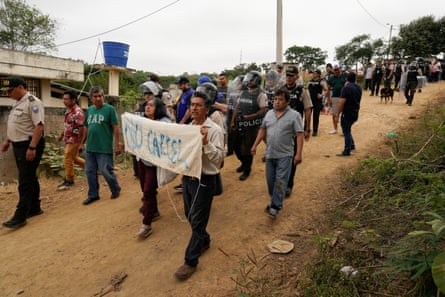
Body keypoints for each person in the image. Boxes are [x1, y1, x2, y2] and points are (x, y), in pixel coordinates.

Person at [174, 91, 225, 281]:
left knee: (197, 221)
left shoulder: (214, 130)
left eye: (198, 105)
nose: (193, 108)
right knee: (189, 215)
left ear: (207, 108)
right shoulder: (189, 127)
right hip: (188, 178)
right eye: (192, 105)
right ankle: (204, 240)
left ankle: (190, 261)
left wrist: (205, 143)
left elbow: (219, 159)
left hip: (205, 180)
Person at [251, 88, 304, 218]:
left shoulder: (294, 115)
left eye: (280, 99)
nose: (277, 102)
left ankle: (275, 206)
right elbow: (262, 130)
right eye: (275, 99)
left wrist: (298, 154)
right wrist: (255, 145)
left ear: (288, 101)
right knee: (270, 182)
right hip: (270, 154)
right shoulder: (269, 114)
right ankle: (275, 198)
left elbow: (299, 135)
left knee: (280, 181)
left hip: (285, 155)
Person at [0, 77, 45, 229]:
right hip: (18, 144)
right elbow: (17, 125)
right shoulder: (18, 103)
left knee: (25, 180)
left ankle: (20, 215)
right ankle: (34, 207)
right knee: (29, 176)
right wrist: (8, 140)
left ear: (20, 87)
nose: (8, 93)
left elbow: (39, 127)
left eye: (10, 90)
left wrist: (32, 148)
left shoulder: (33, 102)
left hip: (30, 144)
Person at [137, 96, 172, 238]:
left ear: (158, 108)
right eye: (146, 105)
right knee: (144, 189)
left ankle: (147, 223)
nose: (147, 107)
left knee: (148, 190)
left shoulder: (165, 123)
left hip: (154, 164)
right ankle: (154, 211)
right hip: (142, 160)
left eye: (151, 105)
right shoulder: (142, 121)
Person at [80, 86, 121, 205]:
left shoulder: (109, 109)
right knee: (90, 171)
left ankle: (115, 188)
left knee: (105, 170)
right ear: (91, 98)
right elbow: (86, 128)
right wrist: (82, 142)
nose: (98, 98)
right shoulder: (89, 110)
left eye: (100, 96)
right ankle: (93, 194)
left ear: (103, 97)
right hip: (91, 147)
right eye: (95, 96)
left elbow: (115, 128)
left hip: (104, 147)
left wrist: (117, 145)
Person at [231, 71, 268, 181]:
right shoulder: (244, 92)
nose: (249, 81)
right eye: (249, 79)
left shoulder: (261, 94)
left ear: (257, 80)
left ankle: (247, 169)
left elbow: (264, 110)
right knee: (236, 146)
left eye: (251, 80)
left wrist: (249, 117)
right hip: (240, 123)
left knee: (247, 149)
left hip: (252, 126)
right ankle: (243, 163)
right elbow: (237, 107)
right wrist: (233, 121)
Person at [282, 65, 312, 197]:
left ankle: (289, 184)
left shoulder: (302, 91)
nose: (288, 78)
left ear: (297, 77)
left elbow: (308, 110)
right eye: (287, 75)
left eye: (291, 76)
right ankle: (281, 182)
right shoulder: (281, 90)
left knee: (293, 158)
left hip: (295, 131)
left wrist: (307, 128)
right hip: (282, 130)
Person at [57, 90, 85, 188]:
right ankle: (93, 167)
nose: (64, 101)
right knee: (74, 158)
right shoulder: (68, 110)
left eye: (66, 99)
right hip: (68, 139)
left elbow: (82, 128)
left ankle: (69, 180)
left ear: (73, 100)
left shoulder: (78, 112)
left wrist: (81, 142)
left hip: (74, 139)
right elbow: (67, 126)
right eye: (63, 99)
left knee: (68, 158)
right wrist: (61, 135)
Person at [337, 72, 362, 157]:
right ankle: (351, 145)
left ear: (346, 79)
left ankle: (347, 150)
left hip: (347, 112)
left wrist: (338, 113)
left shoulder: (346, 88)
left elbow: (341, 102)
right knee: (348, 129)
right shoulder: (359, 87)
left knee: (346, 131)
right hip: (355, 111)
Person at [307, 69, 328, 136]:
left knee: (316, 116)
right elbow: (307, 89)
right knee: (308, 116)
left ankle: (315, 131)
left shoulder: (321, 81)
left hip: (317, 101)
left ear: (318, 74)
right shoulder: (310, 81)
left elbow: (326, 90)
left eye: (315, 73)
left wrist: (321, 95)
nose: (313, 74)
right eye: (313, 73)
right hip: (310, 100)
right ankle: (307, 129)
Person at [327, 65, 345, 134]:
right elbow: (328, 89)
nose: (336, 71)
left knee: (344, 114)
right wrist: (328, 99)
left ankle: (344, 130)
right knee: (334, 114)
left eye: (337, 69)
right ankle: (335, 129)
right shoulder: (331, 79)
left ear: (340, 69)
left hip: (343, 97)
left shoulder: (344, 77)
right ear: (333, 71)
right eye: (335, 70)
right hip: (334, 97)